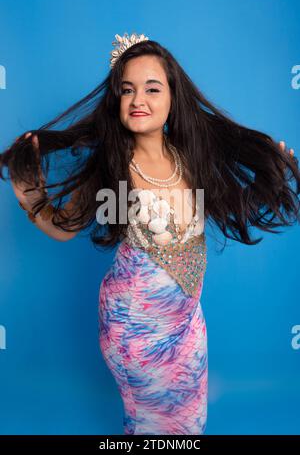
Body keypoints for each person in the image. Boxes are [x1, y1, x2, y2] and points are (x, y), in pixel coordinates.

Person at [0, 32, 299, 435]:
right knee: (151, 426)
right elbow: (63, 229)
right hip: (133, 333)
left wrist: (272, 179)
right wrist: (30, 194)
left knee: (190, 424)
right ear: (116, 102)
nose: (138, 99)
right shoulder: (113, 167)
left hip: (188, 325)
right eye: (127, 90)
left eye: (152, 88)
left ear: (173, 98)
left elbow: (230, 204)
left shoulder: (190, 156)